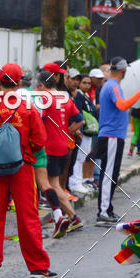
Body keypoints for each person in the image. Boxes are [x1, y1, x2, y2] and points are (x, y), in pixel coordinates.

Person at [0, 62, 56, 278]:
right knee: (28, 217)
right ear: (19, 82)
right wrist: (25, 152)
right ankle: (37, 267)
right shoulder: (27, 107)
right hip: (23, 168)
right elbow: (40, 140)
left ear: (0, 81)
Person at [96, 57, 140, 225]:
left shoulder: (113, 85)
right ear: (123, 71)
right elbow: (122, 105)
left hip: (114, 135)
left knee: (112, 174)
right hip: (111, 136)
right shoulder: (113, 85)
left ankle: (107, 209)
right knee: (108, 174)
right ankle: (103, 212)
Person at [18, 70, 73, 238]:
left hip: (25, 147)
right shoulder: (40, 97)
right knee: (45, 185)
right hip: (41, 145)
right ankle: (58, 215)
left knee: (27, 189)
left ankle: (34, 229)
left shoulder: (18, 95)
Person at [38, 70, 84, 233]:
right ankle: (70, 217)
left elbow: (40, 120)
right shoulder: (65, 98)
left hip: (49, 146)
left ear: (43, 85)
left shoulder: (44, 99)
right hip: (63, 145)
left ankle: (72, 217)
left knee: (52, 185)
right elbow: (80, 120)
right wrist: (68, 131)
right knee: (55, 184)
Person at [68, 74, 98, 195]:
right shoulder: (79, 97)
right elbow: (77, 113)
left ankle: (78, 181)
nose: (87, 85)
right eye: (84, 83)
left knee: (83, 156)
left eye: (89, 83)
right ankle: (75, 182)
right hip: (82, 131)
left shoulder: (87, 97)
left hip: (89, 131)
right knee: (79, 158)